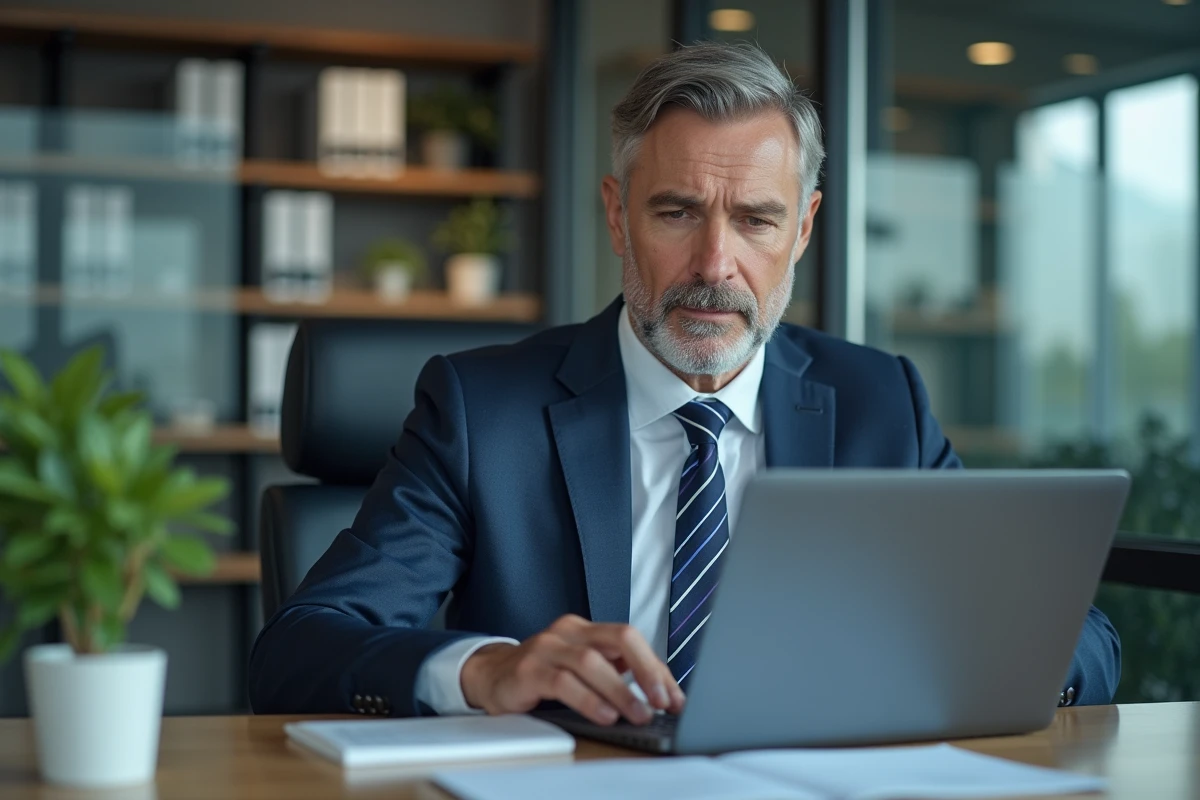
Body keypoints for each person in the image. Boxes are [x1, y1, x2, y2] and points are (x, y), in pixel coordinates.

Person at [248, 41, 1120, 725]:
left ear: (804, 228)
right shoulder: (481, 412)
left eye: (755, 219)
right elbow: (299, 650)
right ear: (617, 216)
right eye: (676, 212)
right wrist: (486, 668)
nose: (715, 264)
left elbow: (1082, 644)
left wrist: (946, 664)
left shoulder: (880, 403)